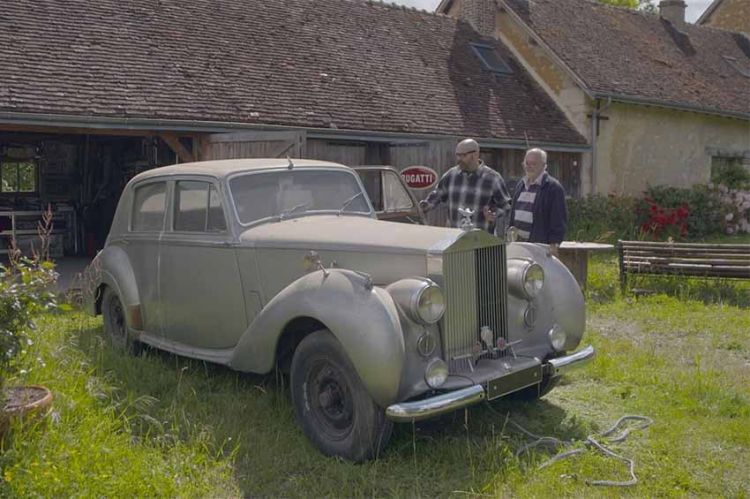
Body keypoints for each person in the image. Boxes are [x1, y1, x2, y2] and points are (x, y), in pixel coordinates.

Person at [419, 138, 510, 235]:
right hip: (455, 241)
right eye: (457, 155)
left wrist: (494, 214)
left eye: (463, 155)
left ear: (475, 155)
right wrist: (423, 207)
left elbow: (506, 207)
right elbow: (436, 196)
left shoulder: (493, 178)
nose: (459, 159)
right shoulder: (451, 175)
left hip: (481, 242)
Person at [509, 148, 567, 254]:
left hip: (540, 246)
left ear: (543, 165)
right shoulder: (521, 184)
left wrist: (554, 243)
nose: (529, 167)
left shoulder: (553, 188)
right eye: (527, 163)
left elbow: (558, 219)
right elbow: (513, 213)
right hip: (519, 244)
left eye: (533, 164)